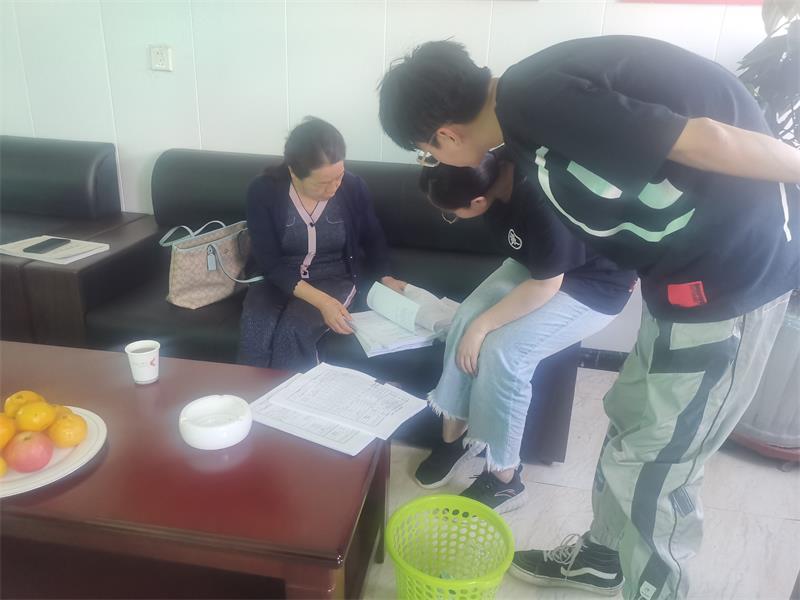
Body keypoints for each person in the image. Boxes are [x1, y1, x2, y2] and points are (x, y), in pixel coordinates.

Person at [378, 38, 800, 599]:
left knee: (654, 470)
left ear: (446, 136)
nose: (435, 163)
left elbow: (709, 139)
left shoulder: (534, 99)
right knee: (629, 422)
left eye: (426, 154)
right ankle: (603, 557)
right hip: (679, 285)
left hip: (729, 284)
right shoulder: (524, 117)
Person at [415, 151, 636, 514]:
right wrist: (475, 324)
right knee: (465, 317)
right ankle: (454, 440)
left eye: (451, 213)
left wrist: (485, 326)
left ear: (478, 201)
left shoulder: (540, 200)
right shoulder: (490, 168)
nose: (450, 217)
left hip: (595, 285)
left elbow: (546, 286)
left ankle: (505, 481)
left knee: (504, 351)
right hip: (541, 263)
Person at [238, 117, 405, 371]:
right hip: (276, 277)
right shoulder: (263, 191)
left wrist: (386, 277)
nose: (334, 187)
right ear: (293, 172)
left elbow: (373, 237)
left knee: (295, 329)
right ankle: (249, 392)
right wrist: (322, 302)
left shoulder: (353, 187)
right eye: (322, 183)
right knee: (256, 325)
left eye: (338, 176)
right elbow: (269, 262)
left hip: (335, 277)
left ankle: (294, 395)